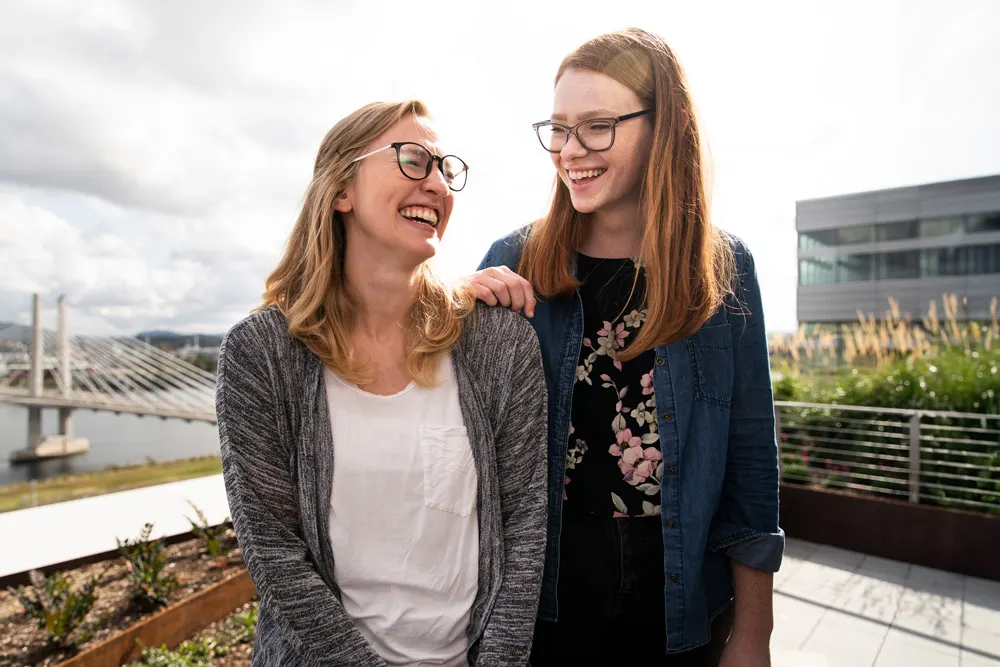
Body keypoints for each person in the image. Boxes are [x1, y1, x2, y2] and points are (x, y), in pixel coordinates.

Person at [468, 29, 783, 666]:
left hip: (680, 606)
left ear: (663, 128)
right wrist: (454, 310)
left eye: (597, 126)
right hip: (543, 606)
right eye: (557, 128)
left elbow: (751, 461)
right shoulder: (513, 261)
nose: (569, 150)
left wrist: (754, 634)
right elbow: (453, 435)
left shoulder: (724, 268)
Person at [216, 100, 548, 667]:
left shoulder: (499, 344)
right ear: (341, 189)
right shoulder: (261, 354)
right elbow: (274, 551)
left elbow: (524, 531)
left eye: (447, 169)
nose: (438, 184)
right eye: (414, 160)